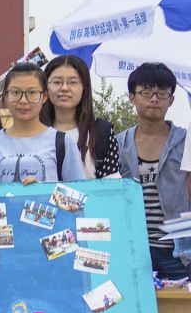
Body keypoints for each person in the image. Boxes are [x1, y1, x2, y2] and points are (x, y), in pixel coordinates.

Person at [117, 62, 190, 281]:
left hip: (178, 252)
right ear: (132, 97)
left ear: (171, 99)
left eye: (162, 93)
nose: (154, 99)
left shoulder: (186, 142)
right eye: (146, 92)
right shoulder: (119, 144)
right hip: (132, 249)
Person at [0, 62, 84, 184]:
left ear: (44, 96)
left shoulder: (62, 142)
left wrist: (43, 189)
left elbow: (79, 192)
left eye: (32, 93)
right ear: (5, 97)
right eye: (15, 93)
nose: (23, 100)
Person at [41, 55, 120, 179]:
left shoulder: (102, 133)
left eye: (73, 82)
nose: (64, 88)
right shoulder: (33, 132)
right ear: (45, 88)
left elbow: (111, 187)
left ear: (84, 87)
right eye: (57, 82)